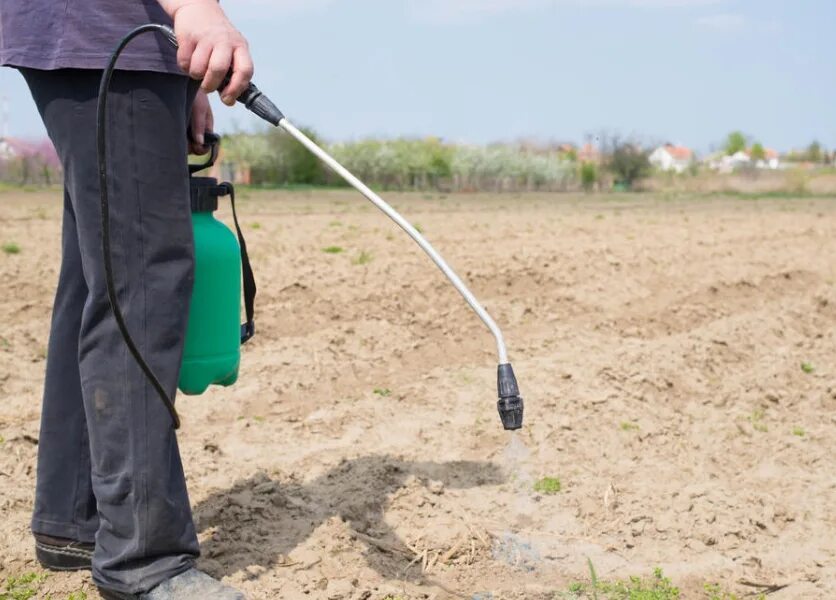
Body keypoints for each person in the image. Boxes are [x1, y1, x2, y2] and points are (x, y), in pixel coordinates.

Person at [0, 1, 254, 598]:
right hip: (106, 28)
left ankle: (76, 517)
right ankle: (146, 560)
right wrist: (195, 6)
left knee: (102, 276)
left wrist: (178, 71)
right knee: (142, 279)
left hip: (119, 38)